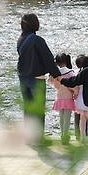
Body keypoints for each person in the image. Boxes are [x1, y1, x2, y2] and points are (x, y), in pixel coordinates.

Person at [16, 13, 61, 142]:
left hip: (23, 77)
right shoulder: (37, 40)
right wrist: (57, 74)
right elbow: (47, 59)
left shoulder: (20, 39)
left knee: (28, 107)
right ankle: (38, 138)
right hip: (37, 78)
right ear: (36, 24)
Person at [48, 53, 76, 145]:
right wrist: (75, 92)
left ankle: (62, 135)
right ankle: (65, 136)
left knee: (61, 118)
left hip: (59, 97)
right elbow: (73, 84)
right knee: (67, 118)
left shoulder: (55, 73)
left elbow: (50, 82)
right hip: (68, 97)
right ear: (66, 60)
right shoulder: (70, 72)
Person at [73, 55, 88, 141]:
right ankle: (87, 136)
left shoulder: (77, 73)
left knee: (80, 118)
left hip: (78, 99)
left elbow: (75, 86)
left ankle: (79, 136)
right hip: (87, 99)